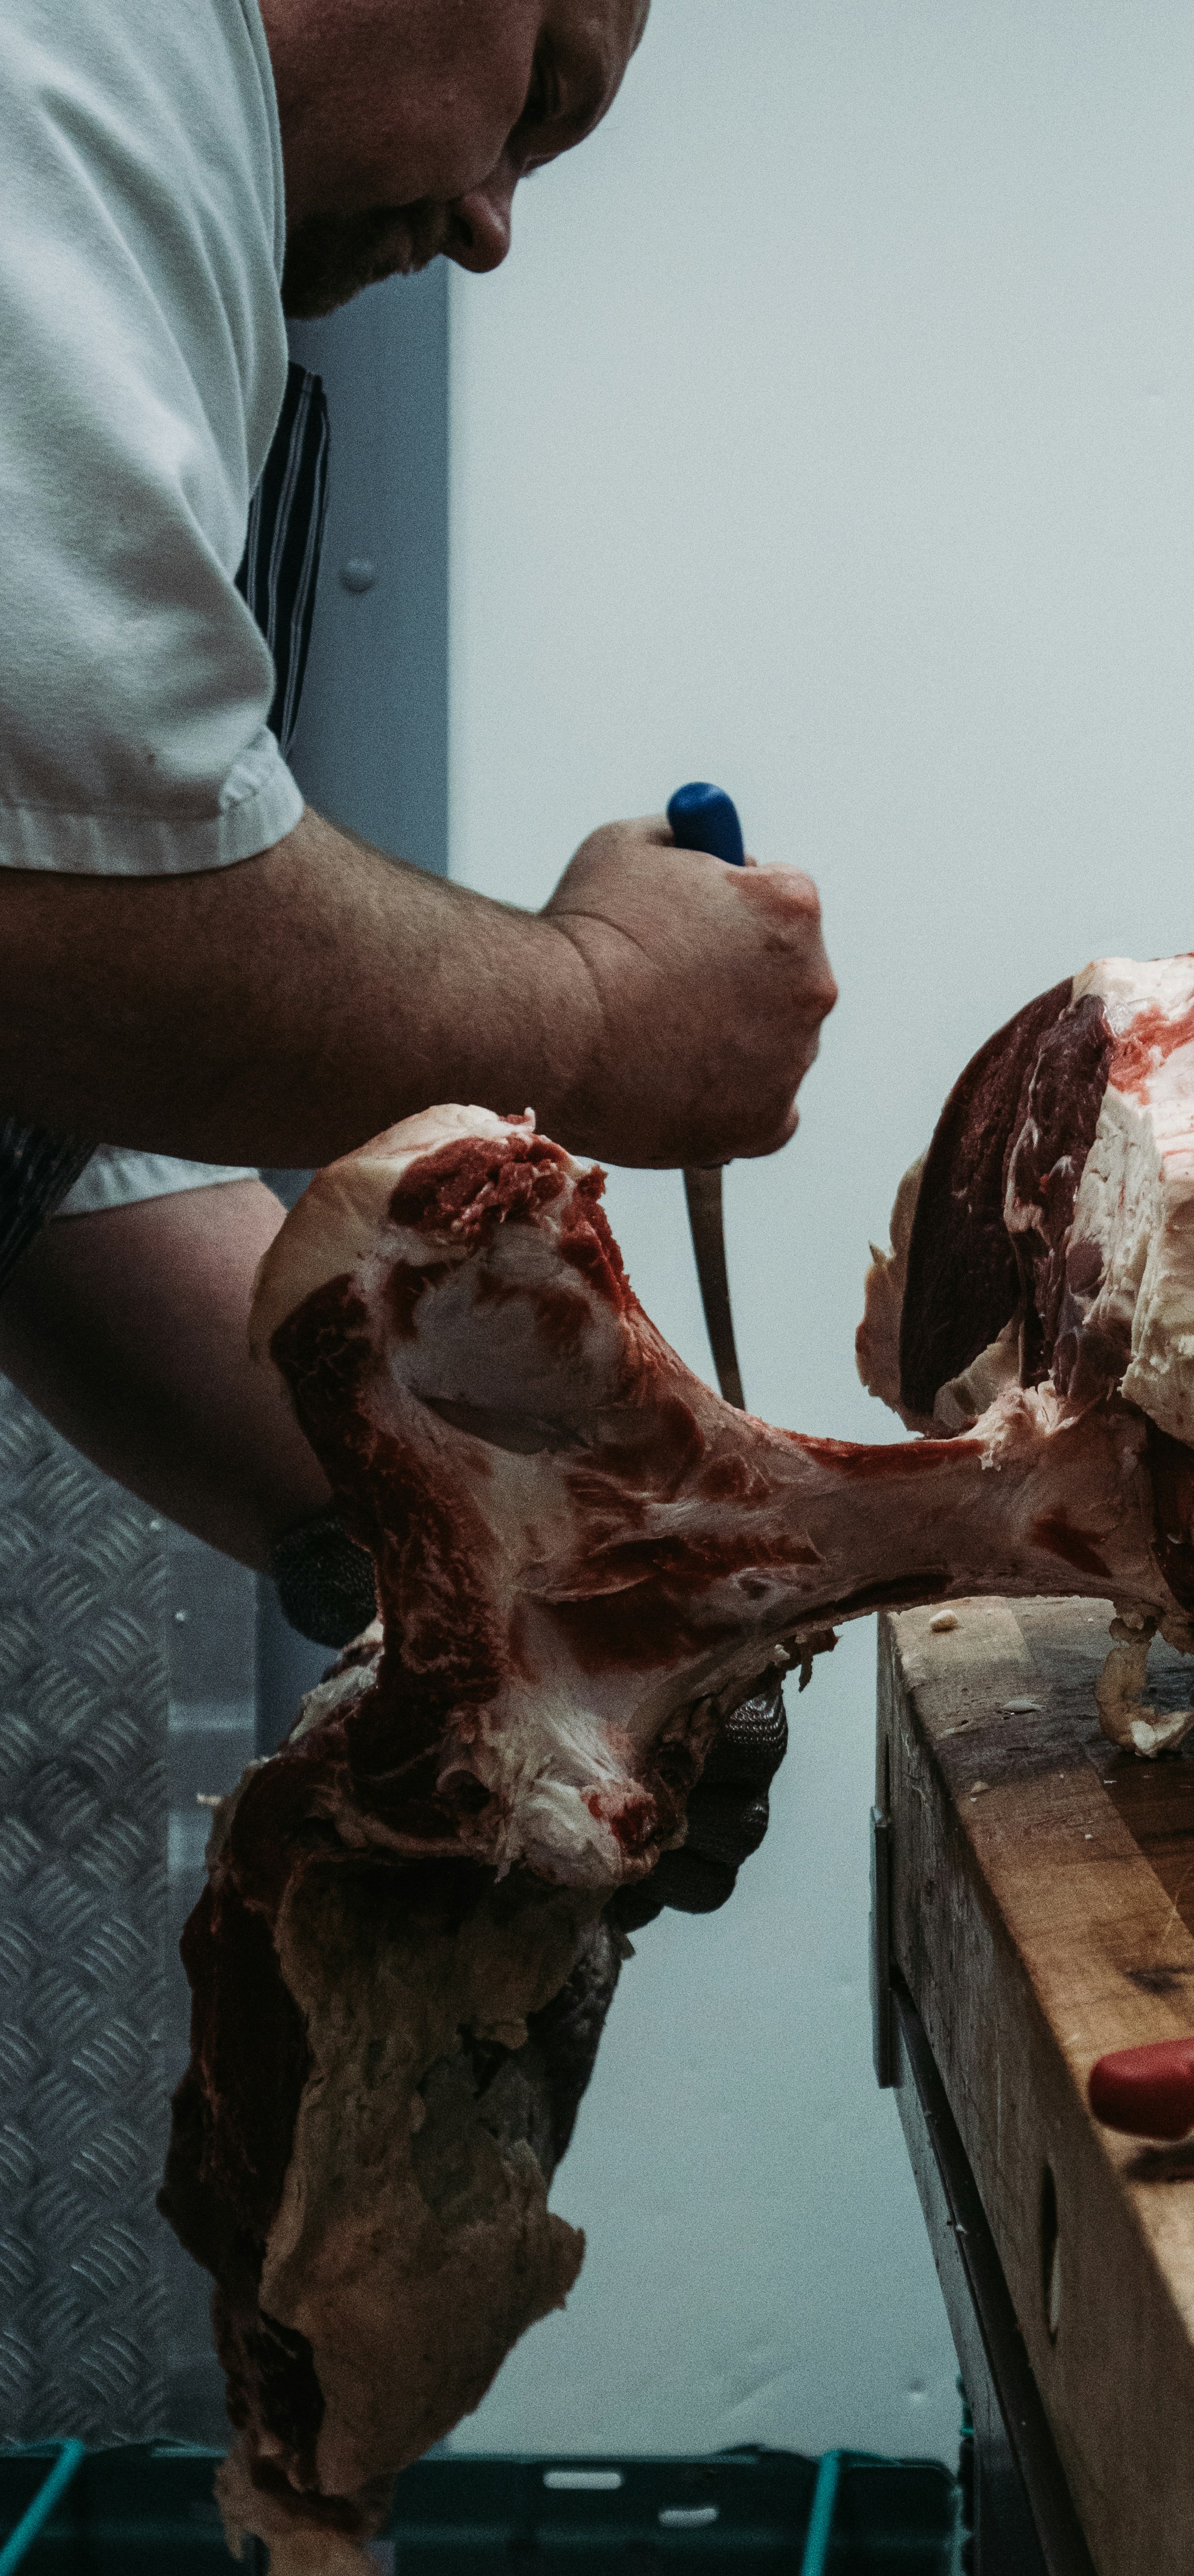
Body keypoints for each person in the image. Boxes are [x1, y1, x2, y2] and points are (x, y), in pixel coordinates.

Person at [0, 0, 824, 1900]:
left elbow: (48, 1114)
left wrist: (499, 1556)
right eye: (535, 107)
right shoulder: (80, 68)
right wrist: (602, 1008)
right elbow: (57, 916)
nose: (489, 223)